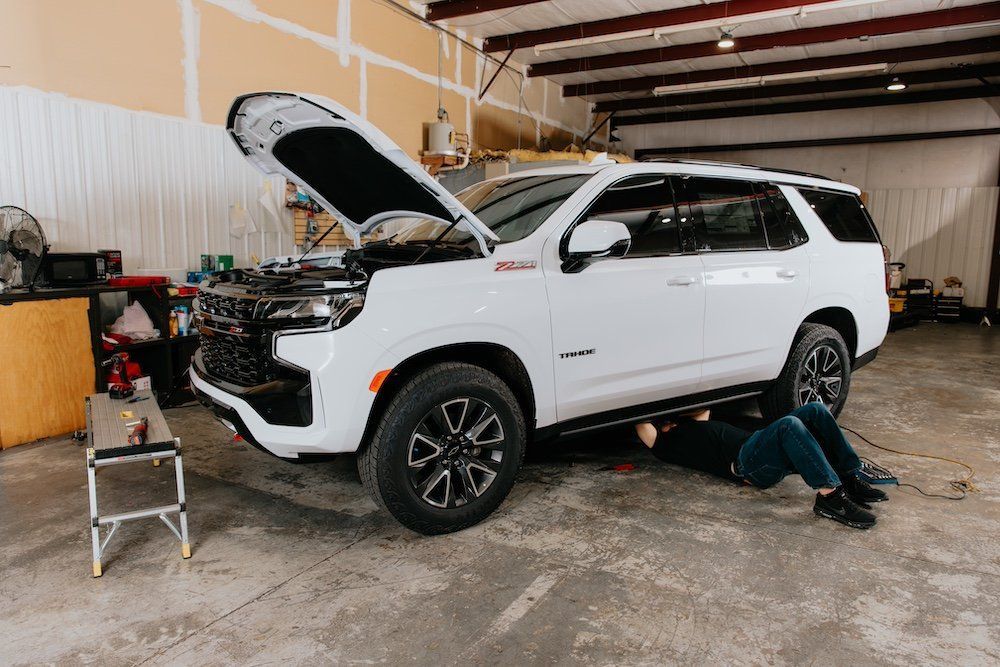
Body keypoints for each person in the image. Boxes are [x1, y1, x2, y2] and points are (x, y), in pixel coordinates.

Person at [635, 402, 887, 529]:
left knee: (816, 410)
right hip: (746, 465)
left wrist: (676, 412)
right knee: (789, 424)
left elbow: (701, 406)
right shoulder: (663, 445)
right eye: (664, 422)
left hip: (757, 446)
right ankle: (831, 497)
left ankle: (849, 476)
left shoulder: (694, 424)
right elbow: (640, 421)